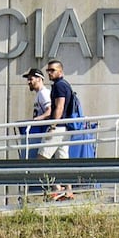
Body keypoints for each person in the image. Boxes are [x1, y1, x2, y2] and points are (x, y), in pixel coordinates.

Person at [37, 60, 74, 201]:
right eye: (48, 71)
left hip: (58, 128)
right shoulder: (66, 85)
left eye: (52, 70)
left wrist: (52, 126)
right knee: (63, 160)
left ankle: (56, 189)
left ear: (60, 71)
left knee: (41, 158)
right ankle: (68, 191)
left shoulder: (59, 86)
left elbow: (59, 107)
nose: (49, 73)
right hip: (65, 127)